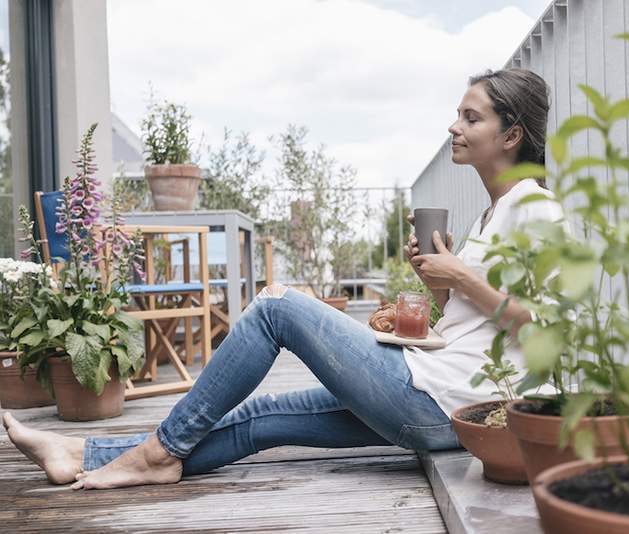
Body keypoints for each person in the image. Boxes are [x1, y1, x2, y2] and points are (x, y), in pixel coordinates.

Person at [3, 68, 564, 490]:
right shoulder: (494, 214)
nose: (454, 127)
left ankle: (156, 452)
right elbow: (477, 324)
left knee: (277, 309)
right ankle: (85, 454)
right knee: (260, 419)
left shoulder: (537, 210)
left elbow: (547, 332)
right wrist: (439, 282)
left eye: (471, 117)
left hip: (441, 402)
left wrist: (461, 275)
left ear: (511, 135)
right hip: (439, 402)